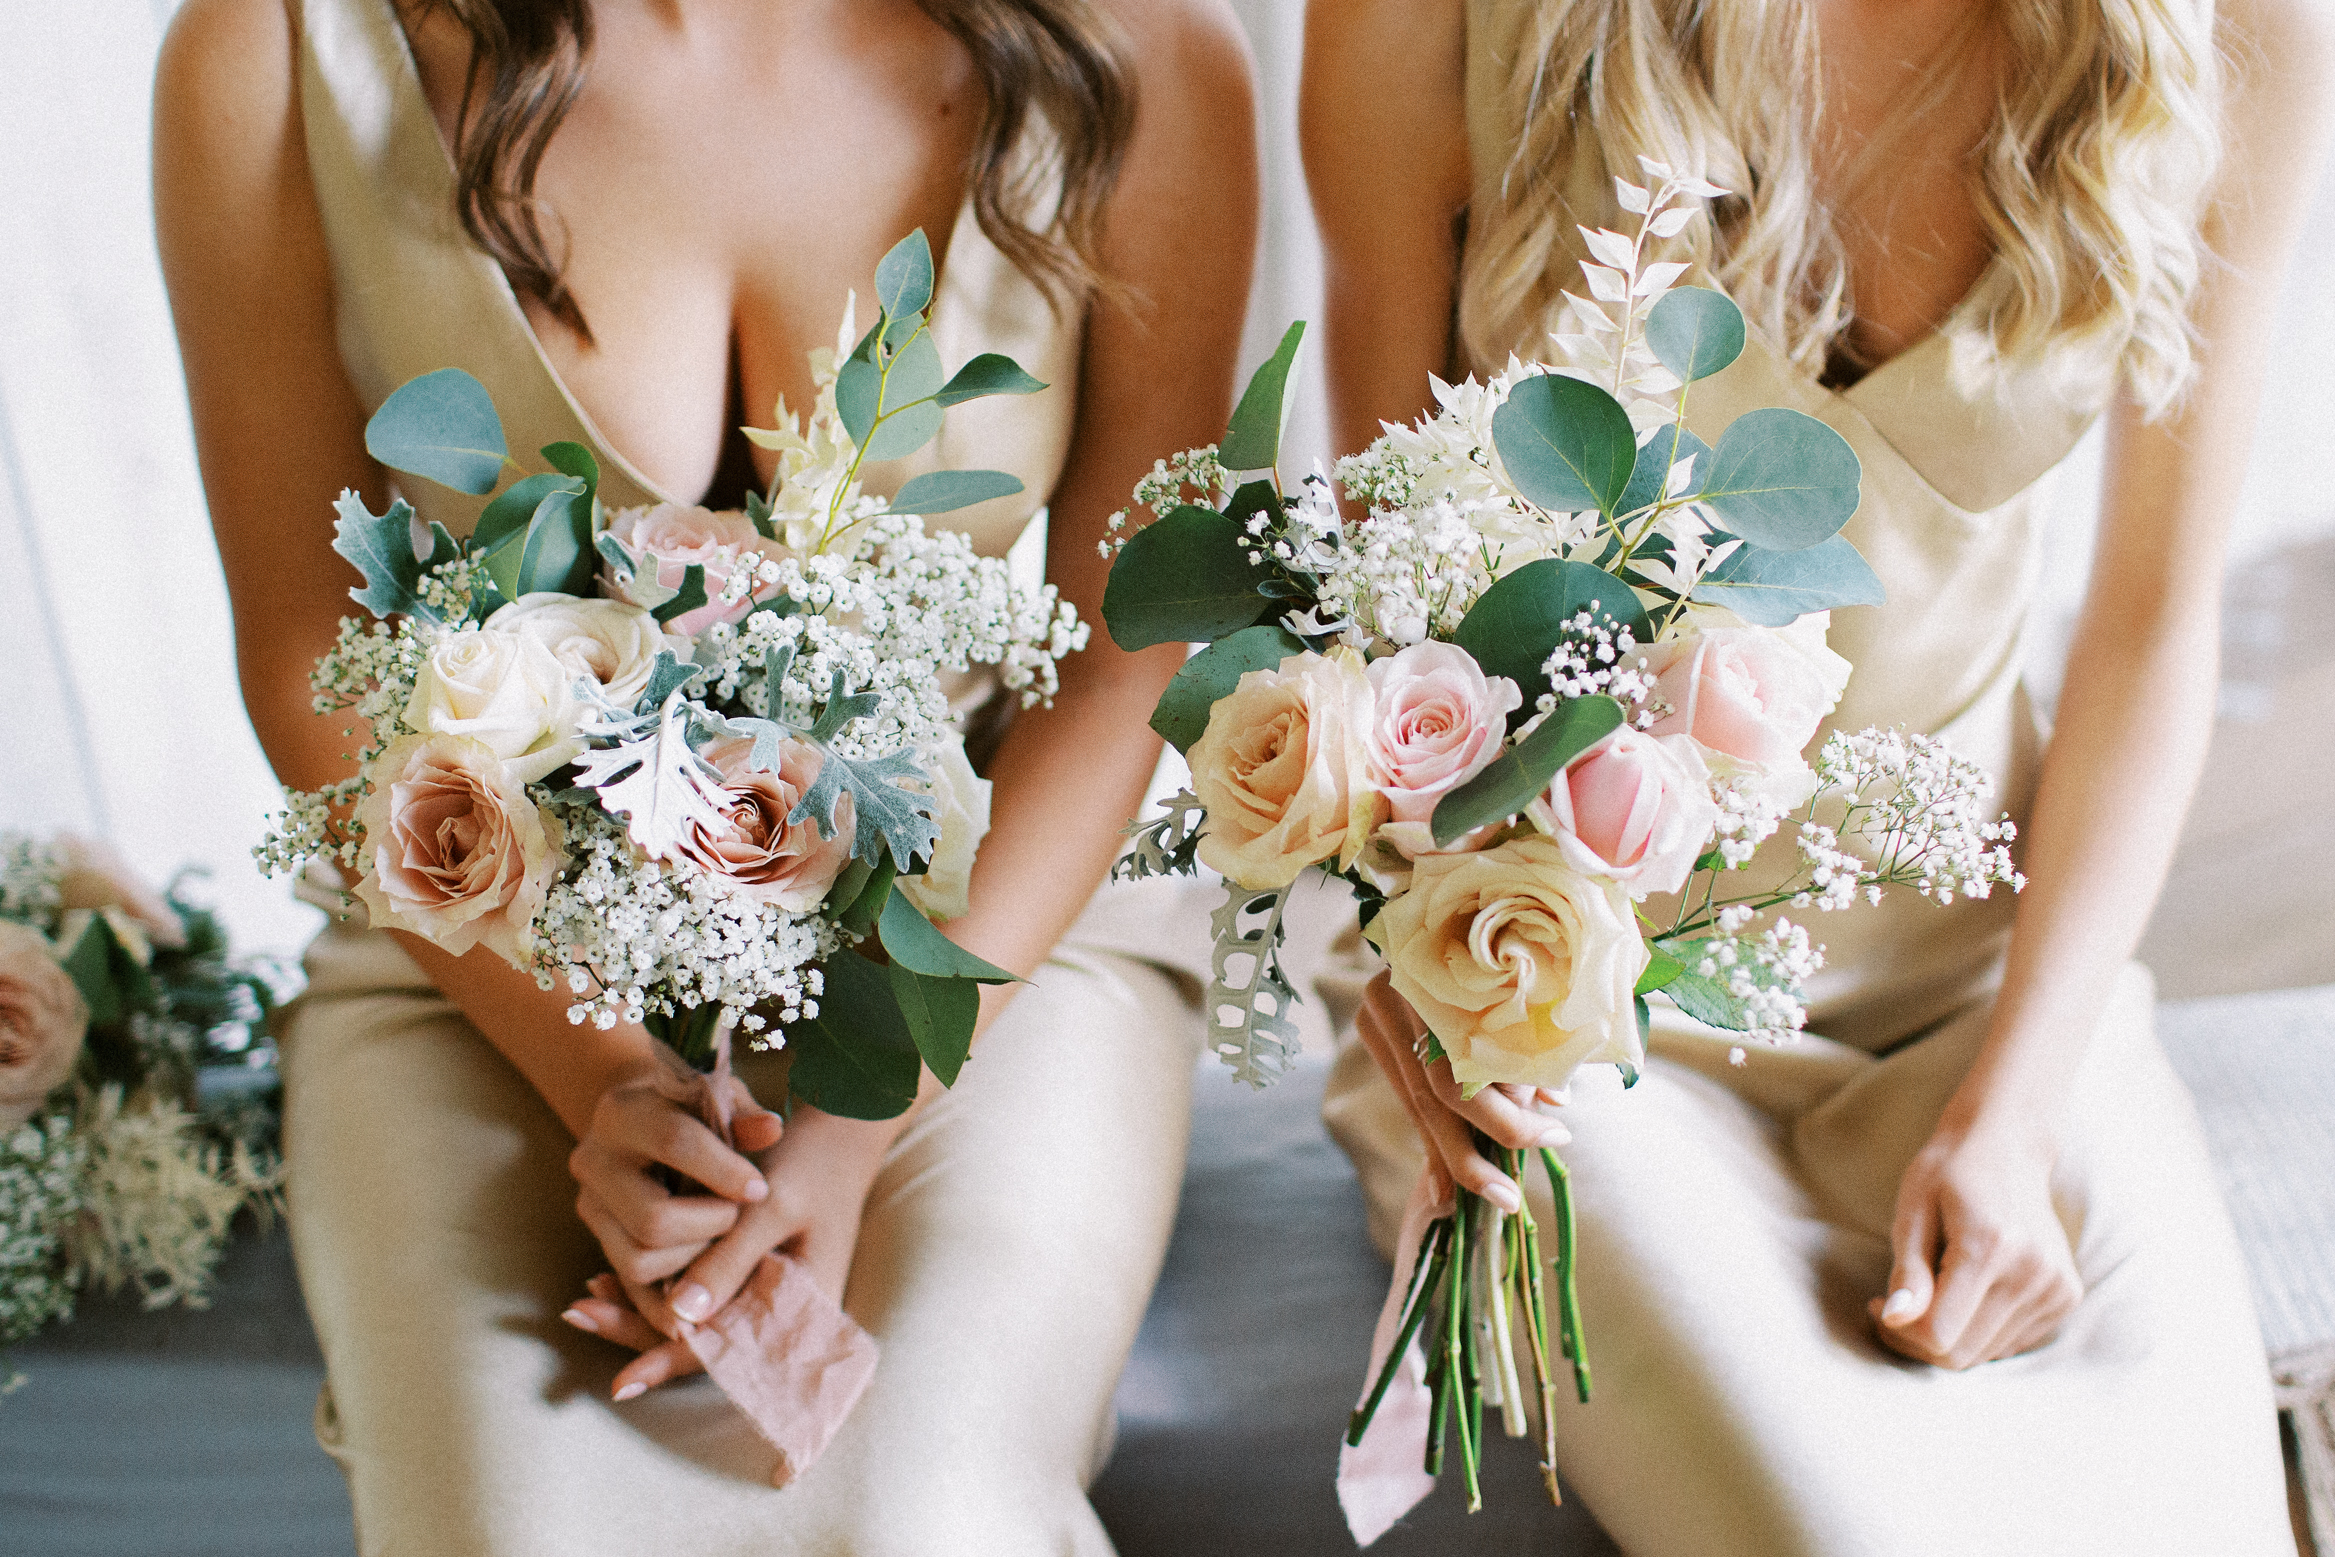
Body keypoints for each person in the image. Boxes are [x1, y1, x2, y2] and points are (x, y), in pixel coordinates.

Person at [153, 0, 1255, 1550]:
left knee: (928, 1514)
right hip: (491, 965)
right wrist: (604, 1083)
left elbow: (1132, 648)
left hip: (985, 950)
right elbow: (298, 645)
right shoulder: (277, 55)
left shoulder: (1144, 50)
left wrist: (858, 1117)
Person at [1301, 0, 2330, 1551]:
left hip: (1981, 993)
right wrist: (1433, 954)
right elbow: (1387, 564)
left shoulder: (2242, 27)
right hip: (1566, 1011)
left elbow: (2148, 630)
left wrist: (2017, 1110)